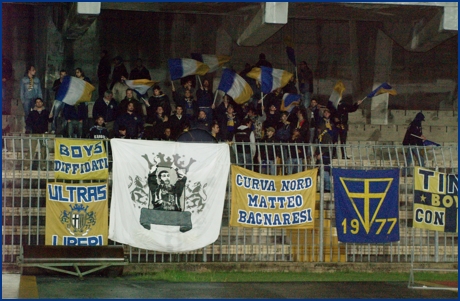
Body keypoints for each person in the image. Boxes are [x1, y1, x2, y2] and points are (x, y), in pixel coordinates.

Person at [25, 98, 51, 170]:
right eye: (37, 102)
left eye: (40, 102)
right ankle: (27, 165)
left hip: (43, 133)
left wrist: (51, 117)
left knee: (43, 150)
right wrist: (32, 126)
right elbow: (28, 121)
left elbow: (50, 120)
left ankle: (43, 165)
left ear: (42, 103)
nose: (38, 103)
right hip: (34, 133)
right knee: (31, 149)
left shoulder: (46, 112)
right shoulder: (32, 112)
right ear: (35, 104)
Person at [20, 65, 43, 129]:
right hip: (27, 99)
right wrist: (23, 100)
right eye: (33, 70)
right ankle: (28, 127)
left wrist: (40, 100)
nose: (34, 71)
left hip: (35, 99)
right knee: (27, 114)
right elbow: (22, 91)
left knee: (36, 113)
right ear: (29, 71)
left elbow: (39, 90)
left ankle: (35, 127)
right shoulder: (24, 80)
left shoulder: (36, 80)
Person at [315, 123, 333, 193]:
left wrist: (321, 154)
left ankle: (327, 188)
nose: (318, 130)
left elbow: (326, 147)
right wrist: (316, 153)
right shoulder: (321, 136)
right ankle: (323, 187)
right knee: (321, 172)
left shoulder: (326, 136)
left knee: (325, 172)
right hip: (321, 157)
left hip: (325, 157)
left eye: (319, 129)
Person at [49, 70, 67, 134]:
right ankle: (53, 129)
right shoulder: (57, 81)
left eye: (64, 75)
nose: (63, 76)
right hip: (58, 99)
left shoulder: (67, 82)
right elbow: (53, 89)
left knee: (64, 115)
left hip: (65, 100)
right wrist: (60, 84)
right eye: (62, 74)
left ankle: (64, 129)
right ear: (60, 75)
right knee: (55, 115)